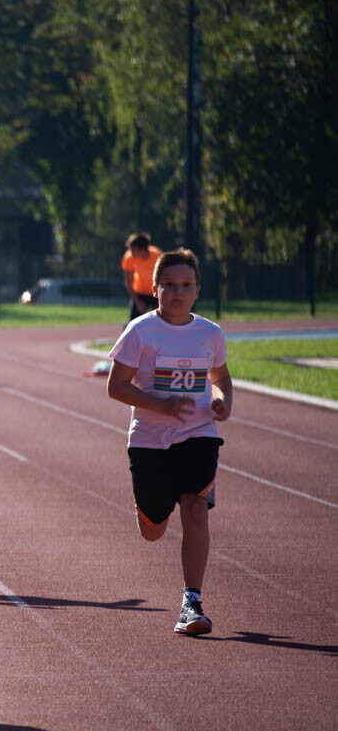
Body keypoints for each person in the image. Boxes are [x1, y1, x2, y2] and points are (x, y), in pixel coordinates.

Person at [106, 248, 231, 636]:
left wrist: (222, 400)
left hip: (198, 433)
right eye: (170, 286)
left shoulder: (210, 333)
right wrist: (160, 403)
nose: (178, 293)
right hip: (148, 440)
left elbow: (220, 377)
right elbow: (116, 387)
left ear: (197, 290)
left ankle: (191, 603)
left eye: (186, 285)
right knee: (153, 528)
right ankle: (149, 509)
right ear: (155, 288)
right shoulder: (140, 331)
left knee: (195, 508)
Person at [121, 232, 162, 321]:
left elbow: (163, 279)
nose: (130, 252)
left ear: (142, 249)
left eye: (133, 250)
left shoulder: (157, 256)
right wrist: (137, 302)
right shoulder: (129, 258)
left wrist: (160, 299)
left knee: (162, 320)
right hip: (140, 293)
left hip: (156, 292)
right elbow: (129, 281)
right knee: (133, 322)